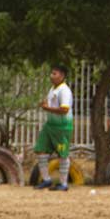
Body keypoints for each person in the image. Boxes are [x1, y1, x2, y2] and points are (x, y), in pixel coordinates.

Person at [32, 64, 74, 192]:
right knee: (40, 150)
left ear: (62, 76)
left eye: (54, 73)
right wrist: (45, 105)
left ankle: (63, 183)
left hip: (62, 127)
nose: (51, 76)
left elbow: (64, 109)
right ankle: (46, 180)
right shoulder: (53, 89)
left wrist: (47, 108)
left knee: (62, 154)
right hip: (50, 125)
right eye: (51, 73)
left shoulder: (64, 90)